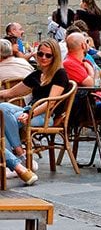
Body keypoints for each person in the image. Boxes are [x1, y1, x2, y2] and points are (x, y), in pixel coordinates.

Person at [0, 39, 72, 185]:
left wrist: (30, 114)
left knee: (2, 120)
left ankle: (13, 162)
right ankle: (20, 155)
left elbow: (50, 103)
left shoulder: (60, 74)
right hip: (29, 109)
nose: (43, 58)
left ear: (55, 56)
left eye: (48, 55)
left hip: (44, 115)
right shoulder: (37, 74)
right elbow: (11, 92)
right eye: (40, 54)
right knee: (2, 109)